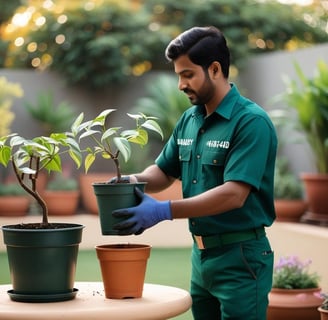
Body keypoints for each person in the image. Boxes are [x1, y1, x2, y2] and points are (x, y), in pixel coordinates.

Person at [112, 26, 277, 320]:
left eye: (187, 74)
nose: (180, 84)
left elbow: (234, 195)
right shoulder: (190, 119)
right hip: (201, 257)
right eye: (178, 75)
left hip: (241, 257)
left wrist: (164, 211)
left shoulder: (251, 122)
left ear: (214, 69)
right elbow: (163, 173)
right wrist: (131, 181)